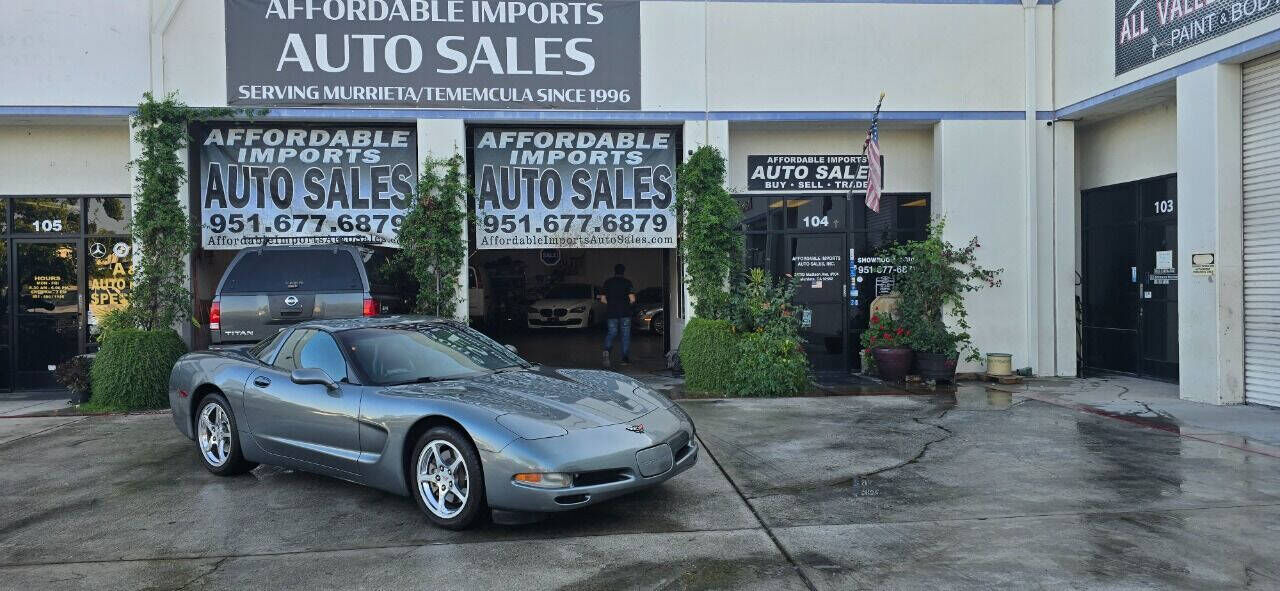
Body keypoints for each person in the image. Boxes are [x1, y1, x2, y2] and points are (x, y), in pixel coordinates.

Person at [600, 263, 636, 367]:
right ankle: (624, 359)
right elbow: (632, 299)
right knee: (625, 336)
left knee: (611, 332)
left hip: (611, 313)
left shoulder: (607, 282)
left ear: (614, 271)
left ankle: (606, 351)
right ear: (623, 271)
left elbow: (602, 299)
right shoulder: (627, 282)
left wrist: (611, 304)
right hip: (625, 313)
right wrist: (626, 304)